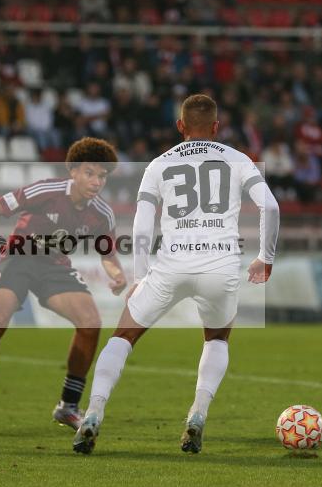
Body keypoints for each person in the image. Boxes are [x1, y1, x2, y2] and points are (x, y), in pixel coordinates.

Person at [72, 94, 280, 455]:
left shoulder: (159, 164)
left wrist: (140, 275)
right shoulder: (238, 159)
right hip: (221, 265)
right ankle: (197, 414)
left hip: (171, 265)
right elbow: (271, 206)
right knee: (216, 340)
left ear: (180, 125)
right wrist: (265, 257)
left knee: (122, 337)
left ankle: (93, 412)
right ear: (217, 128)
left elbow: (141, 226)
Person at [0, 138, 126, 433]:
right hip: (18, 259)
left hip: (54, 267)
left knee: (91, 323)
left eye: (101, 175)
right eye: (89, 172)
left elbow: (107, 254)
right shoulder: (47, 190)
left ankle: (68, 406)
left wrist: (118, 275)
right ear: (73, 171)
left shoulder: (102, 213)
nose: (96, 181)